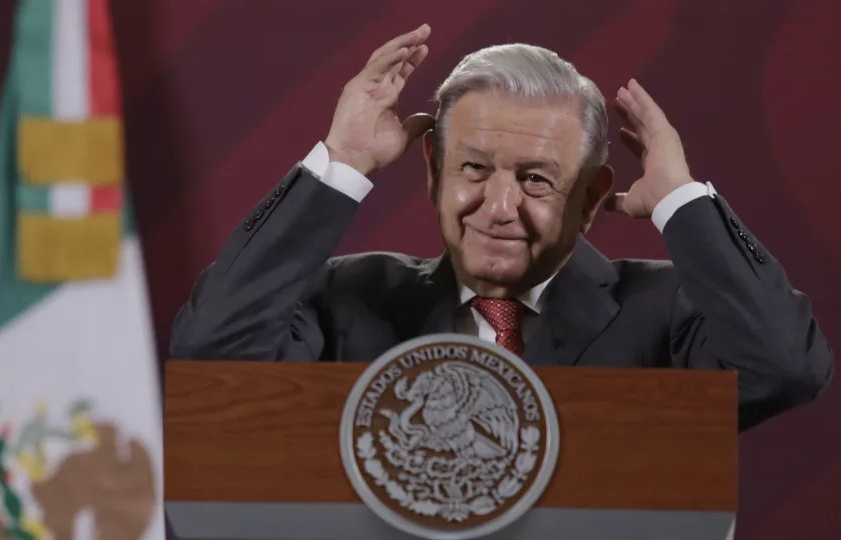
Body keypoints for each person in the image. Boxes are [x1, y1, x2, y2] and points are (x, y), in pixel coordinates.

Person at [170, 25, 832, 429]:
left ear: (592, 196)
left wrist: (680, 201)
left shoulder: (663, 314)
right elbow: (214, 350)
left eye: (537, 179)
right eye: (474, 168)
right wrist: (340, 165)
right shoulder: (352, 299)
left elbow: (785, 367)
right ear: (432, 168)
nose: (498, 205)